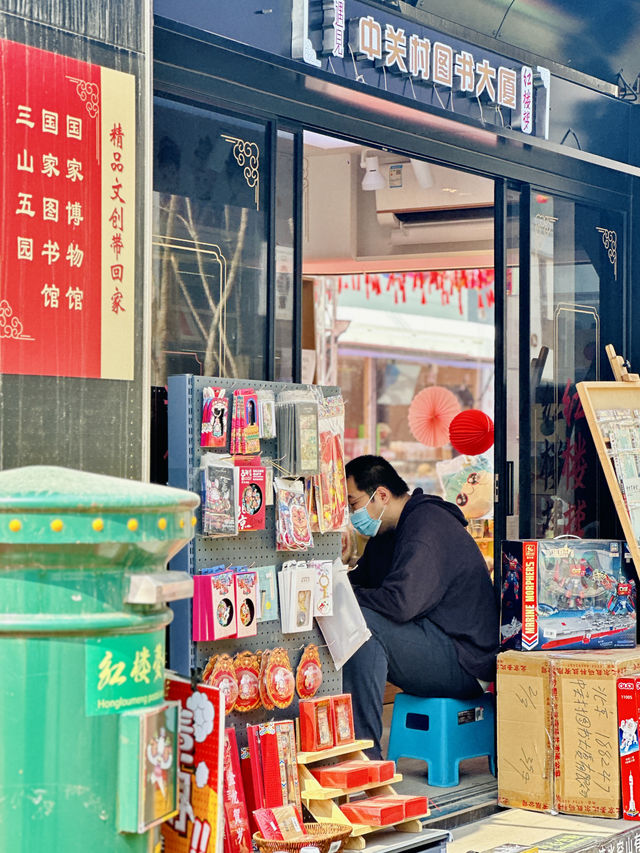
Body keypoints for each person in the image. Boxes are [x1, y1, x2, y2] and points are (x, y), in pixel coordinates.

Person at [342, 455, 499, 759]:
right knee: (352, 616)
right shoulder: (388, 530)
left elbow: (401, 605)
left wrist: (350, 597)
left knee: (363, 623)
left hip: (465, 662)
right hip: (435, 641)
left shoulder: (427, 528)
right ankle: (354, 746)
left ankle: (364, 757)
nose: (353, 513)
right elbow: (361, 581)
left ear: (382, 495)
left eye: (354, 503)